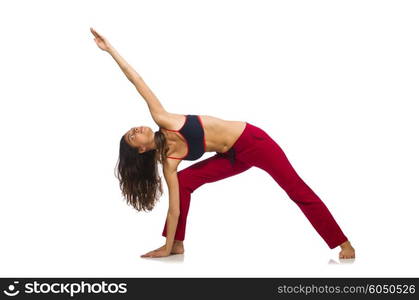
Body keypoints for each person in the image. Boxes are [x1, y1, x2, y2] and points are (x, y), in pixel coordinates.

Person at [90, 27, 356, 259]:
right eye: (132, 136)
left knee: (295, 188)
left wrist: (109, 49)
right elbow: (174, 209)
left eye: (132, 129)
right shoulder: (169, 162)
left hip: (253, 141)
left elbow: (136, 80)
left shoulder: (163, 118)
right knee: (184, 183)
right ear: (141, 149)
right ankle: (177, 245)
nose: (135, 129)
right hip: (233, 157)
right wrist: (166, 245)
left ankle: (343, 244)